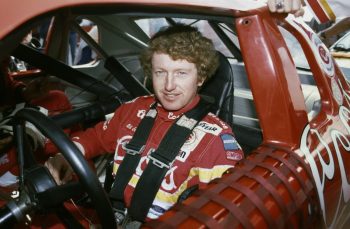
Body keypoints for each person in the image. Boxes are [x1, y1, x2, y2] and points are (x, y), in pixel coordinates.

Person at [45, 24, 244, 226]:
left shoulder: (216, 141)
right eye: (160, 72)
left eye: (181, 73)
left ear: (200, 77)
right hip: (111, 216)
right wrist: (66, 156)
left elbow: (221, 216)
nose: (168, 85)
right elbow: (95, 138)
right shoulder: (133, 109)